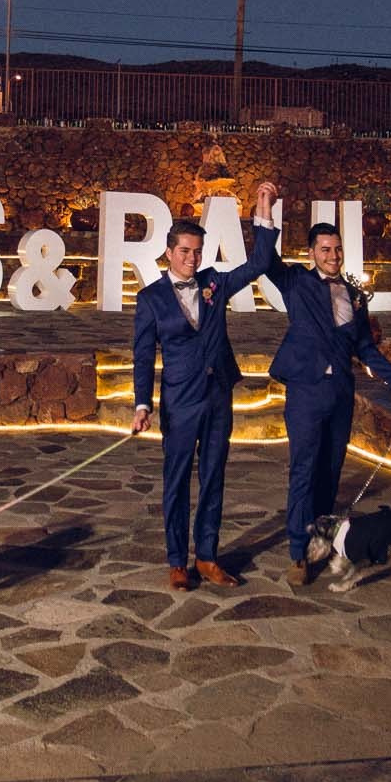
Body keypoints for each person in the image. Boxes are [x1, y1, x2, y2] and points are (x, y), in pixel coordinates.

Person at [131, 182, 279, 591]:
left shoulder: (215, 283)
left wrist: (263, 209)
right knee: (176, 482)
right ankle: (178, 561)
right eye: (185, 251)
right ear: (168, 252)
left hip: (218, 397)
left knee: (214, 476)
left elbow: (261, 262)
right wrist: (142, 404)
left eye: (197, 251)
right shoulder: (151, 299)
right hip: (179, 401)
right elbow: (144, 356)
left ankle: (208, 556)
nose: (192, 259)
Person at [267, 221, 391, 586]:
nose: (333, 256)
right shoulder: (296, 282)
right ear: (311, 253)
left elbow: (365, 348)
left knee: (330, 471)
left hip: (340, 393)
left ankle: (323, 539)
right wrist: (265, 215)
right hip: (305, 392)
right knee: (303, 472)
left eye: (337, 249)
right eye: (325, 249)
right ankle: (299, 553)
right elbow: (264, 258)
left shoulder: (355, 295)